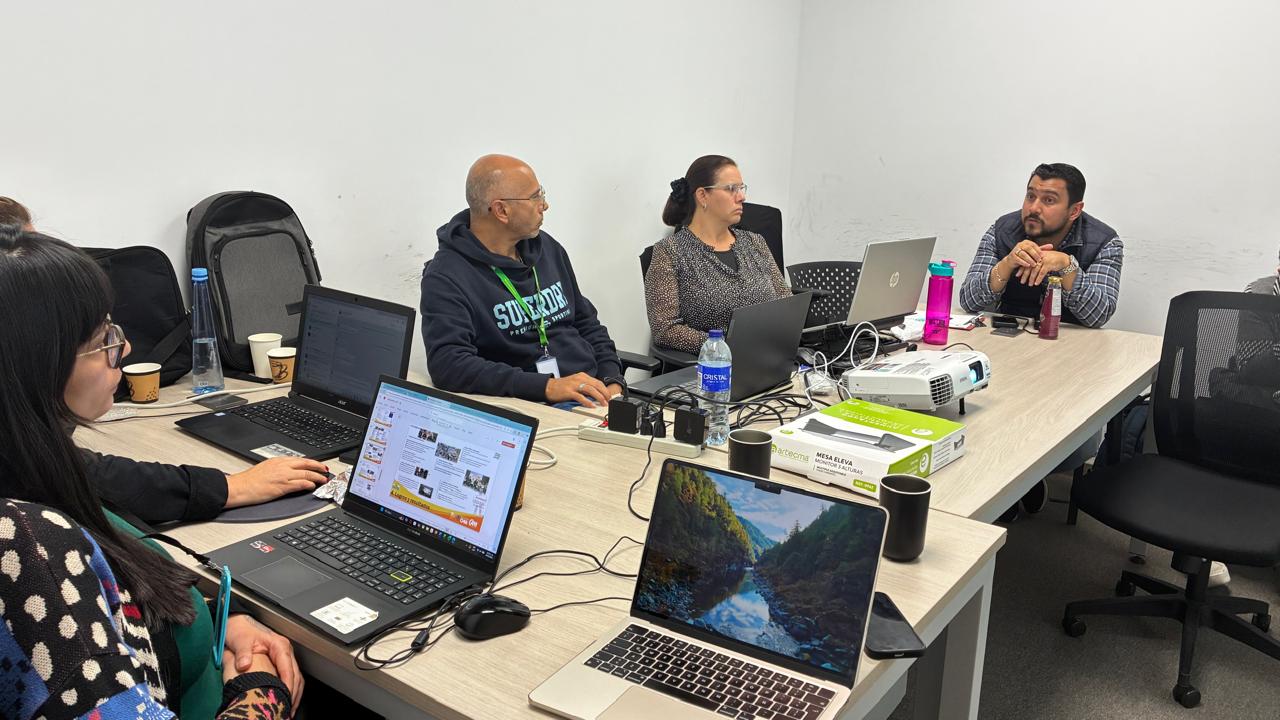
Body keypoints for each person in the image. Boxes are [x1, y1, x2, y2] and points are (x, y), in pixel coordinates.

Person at [0, 229, 303, 718]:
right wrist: (262, 688)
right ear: (37, 365)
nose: (121, 349)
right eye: (102, 340)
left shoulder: (36, 468)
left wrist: (217, 620)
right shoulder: (30, 549)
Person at [0, 197, 329, 526]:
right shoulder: (27, 523)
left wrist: (225, 487)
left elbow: (78, 474)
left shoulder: (24, 455)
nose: (125, 349)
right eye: (102, 339)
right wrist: (229, 488)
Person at [420, 154, 625, 408]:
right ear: (501, 210)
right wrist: (547, 387)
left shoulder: (547, 248)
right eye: (535, 197)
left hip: (593, 393)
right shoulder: (447, 276)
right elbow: (448, 364)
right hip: (534, 405)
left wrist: (612, 379)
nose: (544, 205)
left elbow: (586, 322)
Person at [645, 155, 789, 354]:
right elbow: (665, 330)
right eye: (731, 189)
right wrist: (724, 345)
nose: (741, 197)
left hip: (769, 358)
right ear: (703, 196)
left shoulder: (755, 242)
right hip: (712, 366)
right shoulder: (670, 252)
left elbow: (786, 303)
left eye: (741, 188)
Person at [958, 163, 1123, 328]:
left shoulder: (1104, 242)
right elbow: (968, 302)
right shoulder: (1002, 230)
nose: (1034, 208)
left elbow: (1099, 316)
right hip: (1009, 335)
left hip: (1070, 339)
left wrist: (1067, 266)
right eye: (1030, 196)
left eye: (1049, 200)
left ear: (1074, 211)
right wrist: (1007, 264)